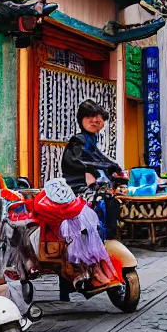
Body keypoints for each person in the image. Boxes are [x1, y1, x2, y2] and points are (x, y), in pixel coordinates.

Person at [60, 99, 121, 301]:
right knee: (83, 229)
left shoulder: (90, 141)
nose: (95, 121)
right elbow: (81, 160)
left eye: (99, 118)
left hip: (86, 188)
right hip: (77, 190)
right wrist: (102, 167)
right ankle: (79, 275)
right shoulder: (78, 141)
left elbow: (97, 157)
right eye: (90, 117)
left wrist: (111, 166)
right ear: (81, 120)